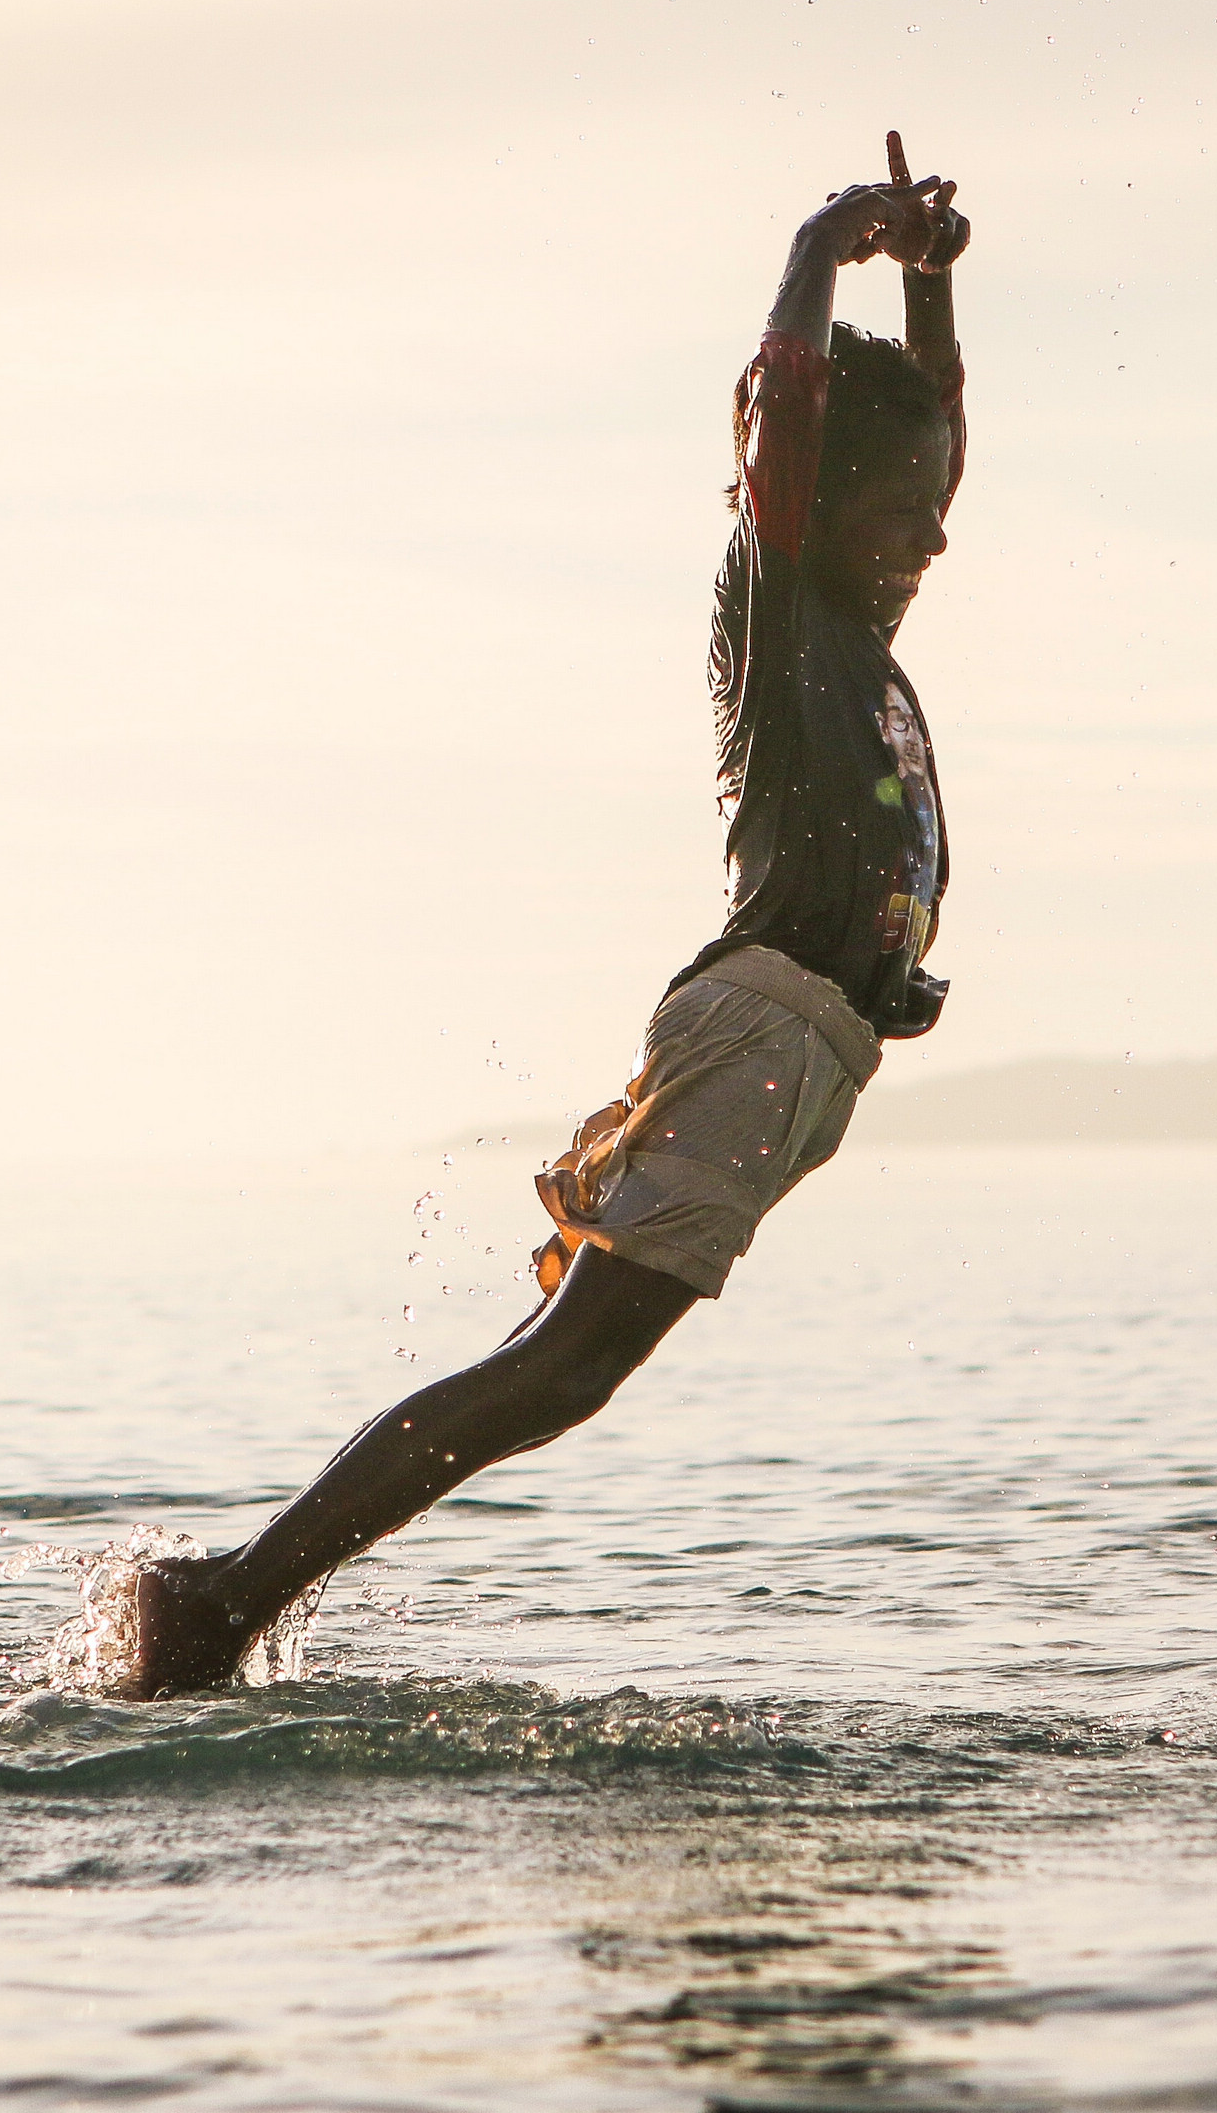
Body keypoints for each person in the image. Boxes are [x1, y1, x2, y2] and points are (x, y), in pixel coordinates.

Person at [113, 149, 976, 1697]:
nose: (934, 532)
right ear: (811, 501)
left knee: (555, 1375)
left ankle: (230, 1597)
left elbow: (936, 443)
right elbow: (787, 413)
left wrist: (929, 285)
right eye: (902, 508)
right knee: (555, 1373)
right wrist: (815, 250)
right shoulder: (788, 607)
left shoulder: (855, 614)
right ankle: (225, 1601)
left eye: (935, 509)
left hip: (809, 1054)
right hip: (764, 1021)